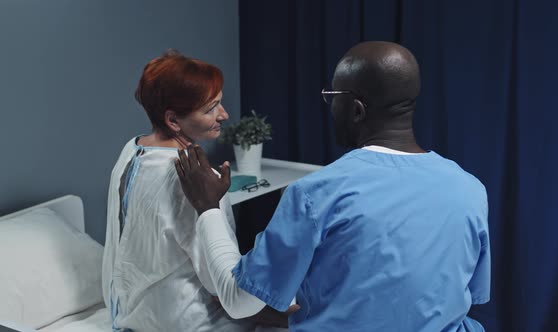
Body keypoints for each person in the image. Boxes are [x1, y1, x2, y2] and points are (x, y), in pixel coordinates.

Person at [176, 41, 491, 331]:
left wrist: (208, 208)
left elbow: (238, 301)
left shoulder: (316, 194)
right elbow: (436, 299)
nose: (329, 108)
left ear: (356, 109)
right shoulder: (470, 189)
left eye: (332, 98)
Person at [102, 50, 294, 332]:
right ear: (174, 121)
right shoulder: (197, 180)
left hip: (128, 316)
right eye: (211, 108)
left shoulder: (132, 151)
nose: (224, 114)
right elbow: (223, 287)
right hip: (187, 323)